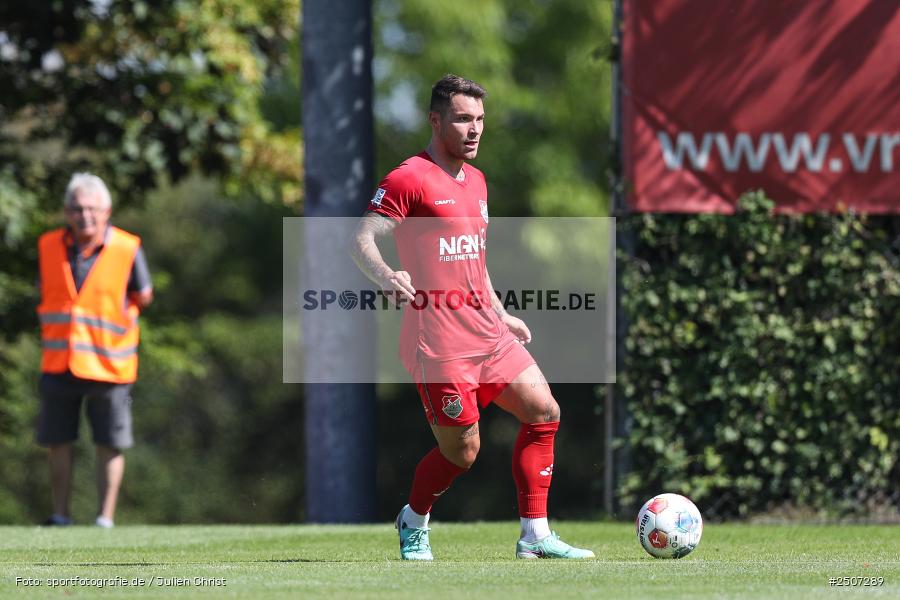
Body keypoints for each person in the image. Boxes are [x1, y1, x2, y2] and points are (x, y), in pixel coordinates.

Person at [350, 74, 594, 560]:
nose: (475, 129)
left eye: (480, 119)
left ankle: (535, 537)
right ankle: (413, 520)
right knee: (462, 454)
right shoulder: (408, 178)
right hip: (437, 344)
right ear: (436, 120)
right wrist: (384, 275)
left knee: (544, 412)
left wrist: (503, 314)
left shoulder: (477, 180)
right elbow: (360, 238)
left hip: (487, 332)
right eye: (463, 118)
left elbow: (473, 260)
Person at [36, 172, 153, 528]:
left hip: (109, 363)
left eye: (92, 208)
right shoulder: (47, 245)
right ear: (67, 211)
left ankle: (105, 518)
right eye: (77, 208)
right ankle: (61, 516)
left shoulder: (127, 247)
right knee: (57, 440)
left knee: (110, 441)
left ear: (107, 210)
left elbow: (143, 295)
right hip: (59, 360)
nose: (84, 215)